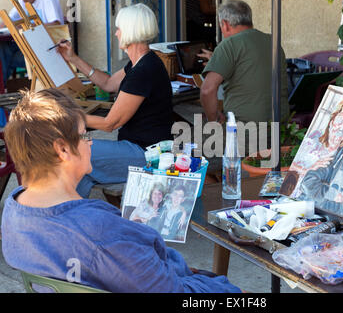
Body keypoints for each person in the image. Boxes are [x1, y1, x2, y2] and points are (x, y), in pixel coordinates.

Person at [1, 88, 241, 293]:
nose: (90, 143)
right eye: (84, 136)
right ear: (62, 149)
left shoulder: (15, 209)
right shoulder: (99, 230)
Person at [58, 3, 174, 198]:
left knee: (74, 149)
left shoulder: (143, 71)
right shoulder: (142, 62)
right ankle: (71, 214)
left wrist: (69, 115)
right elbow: (108, 84)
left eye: (119, 29)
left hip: (146, 155)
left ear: (130, 31)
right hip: (137, 148)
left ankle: (67, 215)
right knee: (76, 158)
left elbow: (109, 123)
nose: (116, 34)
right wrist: (73, 58)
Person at [199, 0, 289, 125]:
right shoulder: (273, 43)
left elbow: (207, 90)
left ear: (225, 24)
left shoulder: (228, 45)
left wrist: (213, 119)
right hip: (281, 129)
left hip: (246, 132)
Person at [283, 97, 343, 198]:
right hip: (290, 194)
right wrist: (307, 170)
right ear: (331, 121)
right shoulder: (314, 139)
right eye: (340, 120)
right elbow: (293, 165)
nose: (341, 128)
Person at [0, 0, 64, 84]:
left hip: (48, 50)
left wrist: (26, 26)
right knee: (3, 49)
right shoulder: (23, 1)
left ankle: (3, 88)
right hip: (31, 47)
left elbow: (56, 24)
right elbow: (8, 21)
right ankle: (3, 87)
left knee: (4, 57)